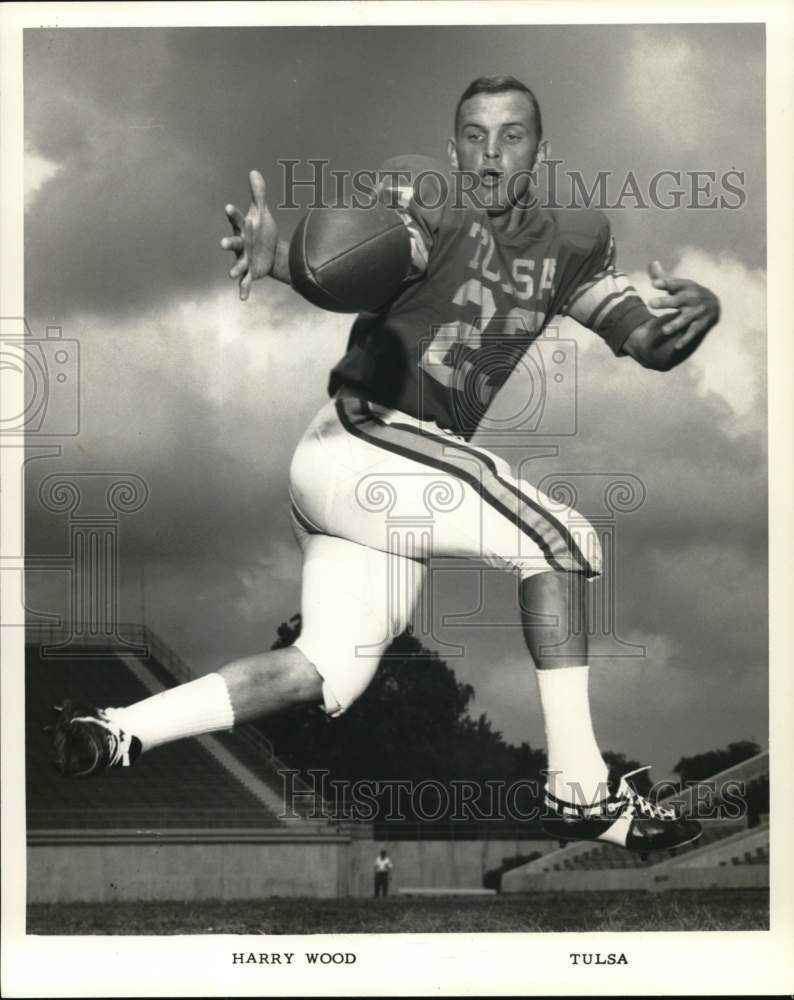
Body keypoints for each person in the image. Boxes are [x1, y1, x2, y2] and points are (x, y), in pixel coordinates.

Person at [51, 75, 720, 855]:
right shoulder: (432, 205)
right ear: (452, 148)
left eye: (511, 135)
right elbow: (353, 258)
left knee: (325, 668)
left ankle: (118, 729)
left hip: (376, 490)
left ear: (542, 149)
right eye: (474, 135)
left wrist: (693, 322)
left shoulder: (575, 240)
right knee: (559, 538)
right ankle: (580, 789)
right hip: (364, 437)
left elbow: (647, 344)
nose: (491, 153)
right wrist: (285, 263)